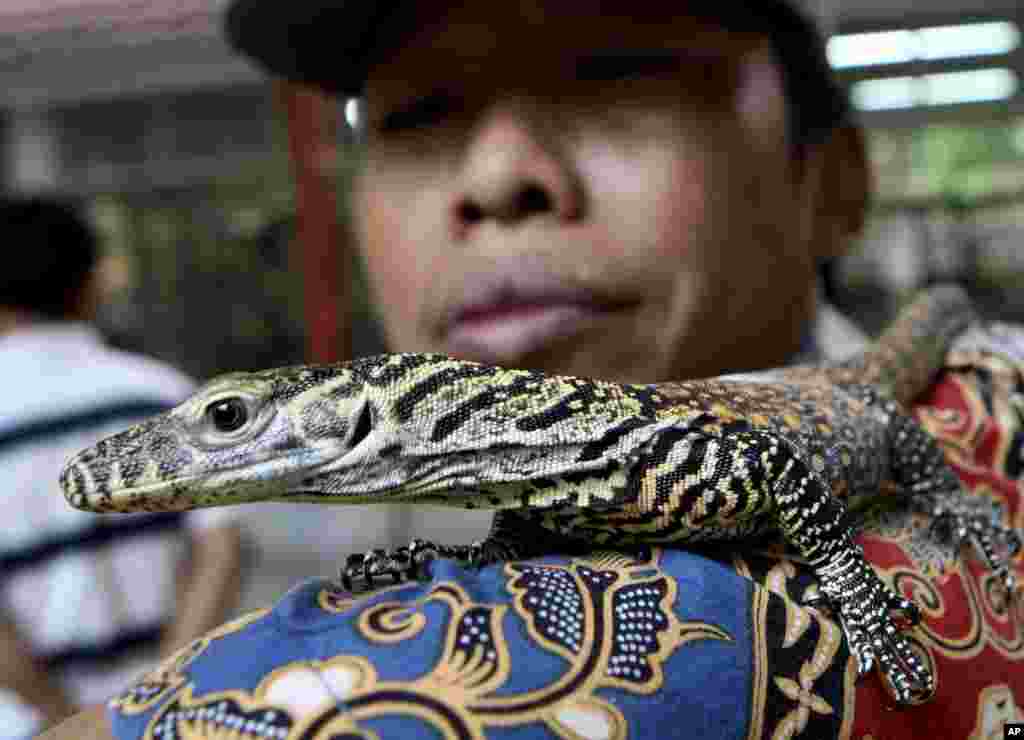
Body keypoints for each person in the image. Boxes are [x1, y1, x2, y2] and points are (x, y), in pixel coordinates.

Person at [44, 0, 1024, 738]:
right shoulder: (543, 456)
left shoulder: (989, 405)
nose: (495, 176)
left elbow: (769, 474)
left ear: (836, 180)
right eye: (413, 113)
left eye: (616, 75)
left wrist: (853, 589)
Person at [0, 196, 245, 737]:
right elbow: (221, 547)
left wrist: (75, 723)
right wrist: (154, 696)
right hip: (175, 715)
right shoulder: (163, 396)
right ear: (90, 284)